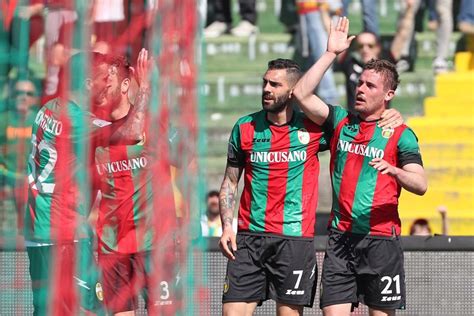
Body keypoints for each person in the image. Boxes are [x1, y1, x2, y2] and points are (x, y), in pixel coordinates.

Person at [293, 17, 428, 316]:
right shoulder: (340, 121)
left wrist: (395, 171)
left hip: (381, 240)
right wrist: (330, 53)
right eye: (359, 83)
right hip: (340, 239)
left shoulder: (400, 134)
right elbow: (301, 94)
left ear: (388, 95)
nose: (361, 89)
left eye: (370, 85)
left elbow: (421, 185)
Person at [218, 58, 325, 316]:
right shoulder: (244, 128)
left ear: (292, 91)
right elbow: (230, 182)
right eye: (265, 82)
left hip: (293, 240)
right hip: (249, 239)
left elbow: (358, 129)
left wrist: (391, 113)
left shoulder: (313, 129)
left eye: (275, 84)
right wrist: (226, 227)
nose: (266, 88)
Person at [93, 50, 181, 315]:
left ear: (125, 83)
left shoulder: (153, 123)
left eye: (105, 80)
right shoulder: (90, 127)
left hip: (155, 242)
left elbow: (184, 161)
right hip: (112, 243)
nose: (100, 87)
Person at [0, 79, 39, 236]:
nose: (23, 97)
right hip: (6, 183)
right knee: (7, 234)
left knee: (28, 233)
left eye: (28, 93)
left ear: (35, 98)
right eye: (18, 93)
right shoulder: (3, 120)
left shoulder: (40, 120)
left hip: (32, 185)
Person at [336, 31, 394, 113]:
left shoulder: (387, 65)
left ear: (378, 47)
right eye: (360, 46)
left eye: (370, 46)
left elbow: (403, 33)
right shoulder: (350, 63)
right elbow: (334, 47)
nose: (365, 49)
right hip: (354, 120)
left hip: (380, 121)